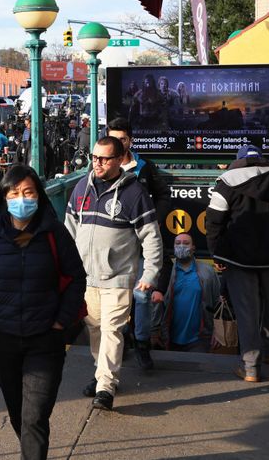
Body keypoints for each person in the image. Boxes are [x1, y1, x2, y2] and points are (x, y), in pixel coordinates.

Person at [0, 165, 86, 460]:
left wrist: (61, 320)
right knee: (19, 414)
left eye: (28, 192)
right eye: (14, 193)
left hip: (45, 339)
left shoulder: (54, 232)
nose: (21, 199)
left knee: (35, 417)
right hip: (3, 340)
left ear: (39, 196)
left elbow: (77, 277)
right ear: (4, 197)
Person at [65, 136, 163, 411]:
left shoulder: (135, 194)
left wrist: (150, 274)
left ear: (120, 160)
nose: (97, 163)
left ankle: (106, 387)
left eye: (104, 158)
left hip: (118, 277)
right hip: (86, 277)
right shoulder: (81, 187)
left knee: (111, 330)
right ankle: (102, 377)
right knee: (95, 329)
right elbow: (69, 228)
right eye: (94, 157)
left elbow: (151, 237)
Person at [205, 145, 269, 382]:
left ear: (238, 161)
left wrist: (216, 253)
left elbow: (214, 221)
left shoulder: (227, 181)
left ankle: (251, 366)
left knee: (246, 310)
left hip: (239, 258)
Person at [106, 117, 171, 370]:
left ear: (130, 140)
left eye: (123, 139)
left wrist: (153, 219)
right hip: (116, 246)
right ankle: (118, 346)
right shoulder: (102, 168)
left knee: (142, 296)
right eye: (114, 139)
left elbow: (163, 194)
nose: (119, 145)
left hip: (142, 244)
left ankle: (143, 345)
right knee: (116, 296)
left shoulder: (144, 167)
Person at [155, 233, 220, 352]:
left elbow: (218, 302)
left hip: (200, 339)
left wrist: (218, 331)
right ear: (173, 247)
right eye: (178, 243)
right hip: (168, 338)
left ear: (193, 247)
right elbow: (156, 303)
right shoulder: (166, 273)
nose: (181, 246)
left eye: (186, 243)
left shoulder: (207, 272)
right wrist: (155, 329)